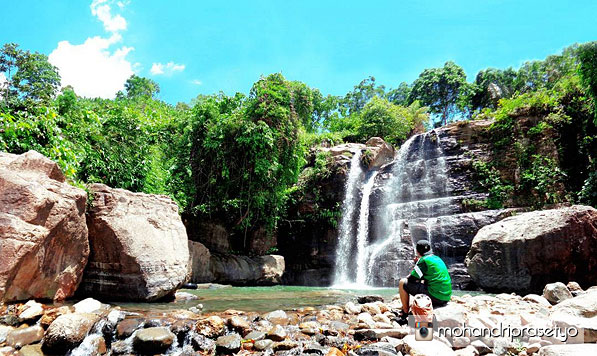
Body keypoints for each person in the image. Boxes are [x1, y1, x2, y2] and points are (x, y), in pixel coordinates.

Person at [397, 239, 452, 321]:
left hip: (436, 297)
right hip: (445, 297)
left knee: (402, 282)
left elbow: (412, 279)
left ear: (417, 251)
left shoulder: (423, 261)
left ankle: (404, 313)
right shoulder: (437, 258)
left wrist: (416, 264)